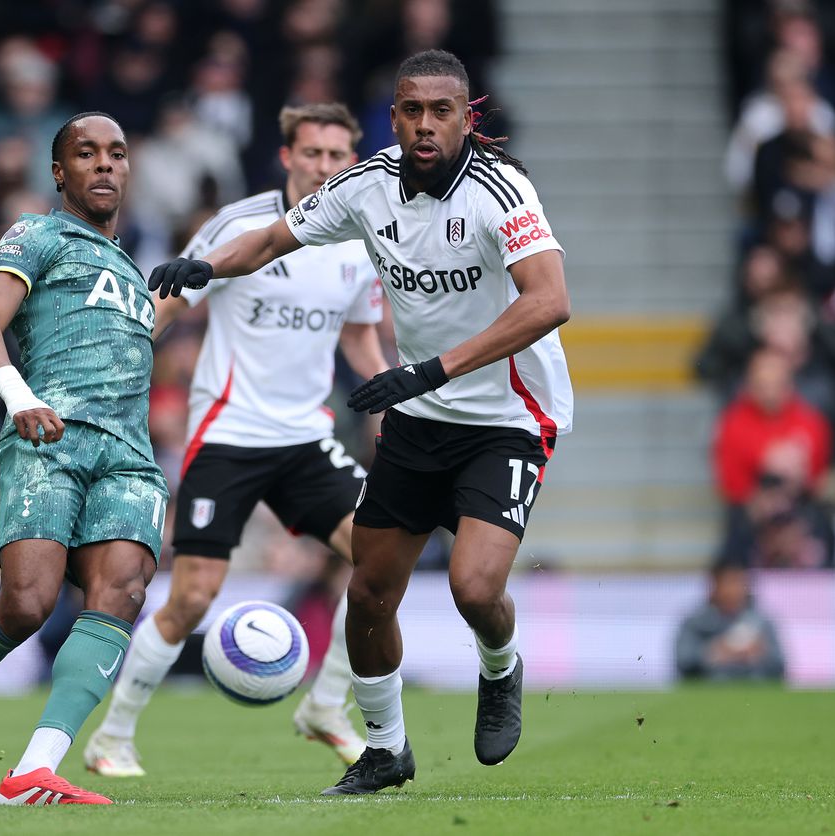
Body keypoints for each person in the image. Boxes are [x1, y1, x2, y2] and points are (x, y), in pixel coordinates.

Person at [148, 49, 573, 795]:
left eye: (442, 111)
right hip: (418, 414)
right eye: (411, 110)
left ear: (465, 116)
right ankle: (386, 749)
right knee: (370, 592)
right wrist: (208, 268)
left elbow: (548, 302)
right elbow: (277, 237)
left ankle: (499, 669)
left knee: (475, 590)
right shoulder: (367, 185)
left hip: (508, 414)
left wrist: (432, 370)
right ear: (395, 116)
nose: (425, 124)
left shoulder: (502, 190)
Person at [83, 103, 388, 777]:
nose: (325, 167)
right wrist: (113, 379)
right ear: (287, 157)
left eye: (339, 157)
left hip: (306, 437)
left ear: (353, 163)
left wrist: (389, 390)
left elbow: (360, 332)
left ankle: (326, 707)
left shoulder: (361, 238)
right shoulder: (241, 224)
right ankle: (113, 735)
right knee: (192, 595)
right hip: (227, 433)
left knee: (381, 559)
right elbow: (168, 299)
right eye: (312, 154)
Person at [0, 112, 169, 806]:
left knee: (124, 590)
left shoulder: (135, 277)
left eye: (117, 152)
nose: (105, 165)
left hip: (130, 458)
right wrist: (16, 396)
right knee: (25, 603)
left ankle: (32, 770)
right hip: (50, 442)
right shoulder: (38, 233)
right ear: (60, 173)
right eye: (87, 154)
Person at [674, 561, 786, 682]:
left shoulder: (762, 622)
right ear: (714, 587)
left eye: (738, 582)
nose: (732, 590)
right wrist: (713, 652)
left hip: (754, 689)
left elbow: (779, 665)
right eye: (727, 583)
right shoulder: (695, 622)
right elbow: (683, 662)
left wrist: (759, 653)